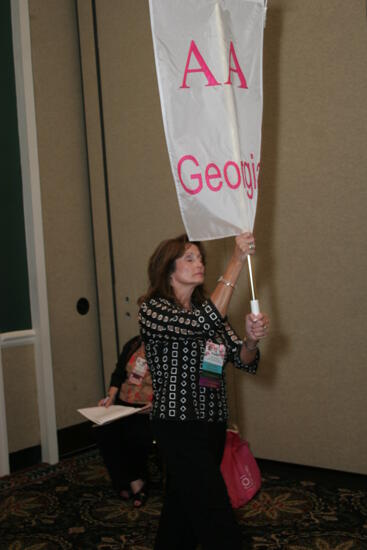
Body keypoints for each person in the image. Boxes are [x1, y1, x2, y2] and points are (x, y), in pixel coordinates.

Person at [138, 232, 269, 550]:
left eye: (200, 258)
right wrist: (237, 261)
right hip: (177, 426)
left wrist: (251, 340)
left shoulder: (210, 312)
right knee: (215, 513)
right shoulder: (153, 310)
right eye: (189, 258)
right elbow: (199, 323)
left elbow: (242, 358)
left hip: (211, 425)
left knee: (181, 512)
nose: (199, 264)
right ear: (168, 270)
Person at [95, 335, 153, 507]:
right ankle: (127, 479)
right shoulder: (133, 344)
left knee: (133, 432)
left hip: (147, 409)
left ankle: (134, 481)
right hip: (123, 405)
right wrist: (110, 397)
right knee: (103, 429)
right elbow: (118, 374)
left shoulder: (168, 348)